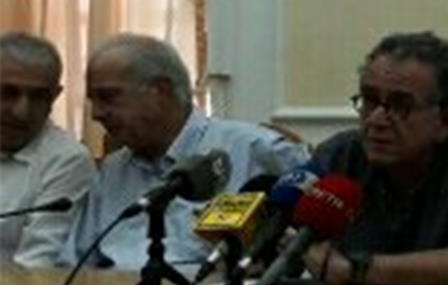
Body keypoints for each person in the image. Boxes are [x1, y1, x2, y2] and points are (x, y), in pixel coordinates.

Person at [302, 31, 448, 285]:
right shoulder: (338, 155)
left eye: (400, 106)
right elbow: (290, 242)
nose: (376, 119)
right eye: (370, 100)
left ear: (445, 120)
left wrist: (357, 271)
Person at [63, 34, 308, 271]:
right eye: (92, 100)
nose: (96, 114)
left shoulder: (255, 150)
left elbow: (312, 254)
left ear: (161, 91)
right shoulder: (113, 169)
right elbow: (76, 263)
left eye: (108, 97)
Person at [0, 32, 95, 267]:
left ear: (55, 96)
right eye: (8, 93)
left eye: (38, 97)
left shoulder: (67, 160)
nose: (21, 112)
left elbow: (37, 264)